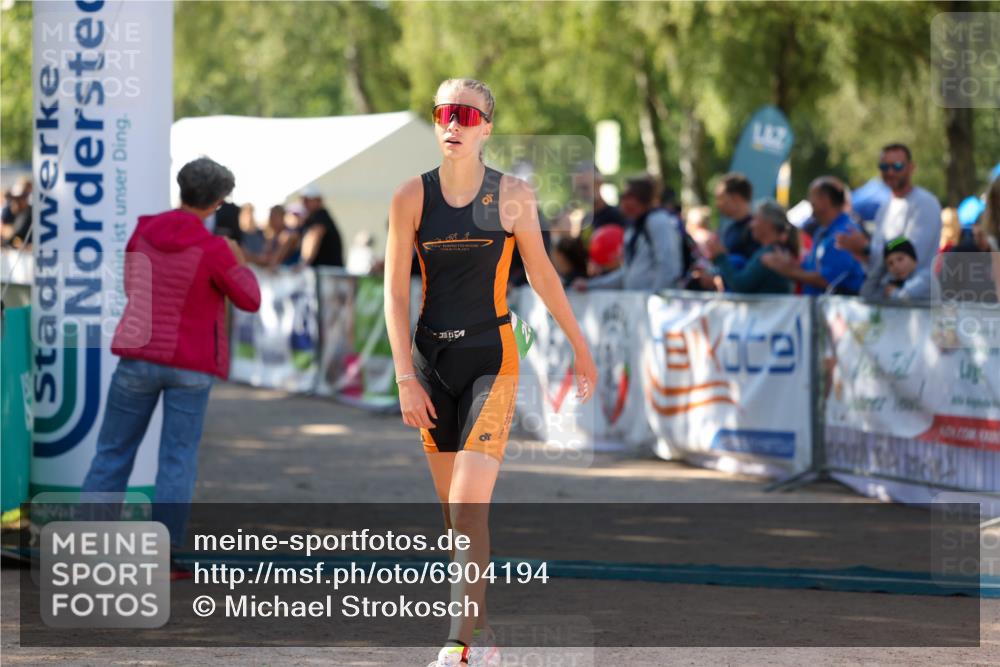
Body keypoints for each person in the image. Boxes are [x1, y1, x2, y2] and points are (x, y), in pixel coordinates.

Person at [383, 78, 597, 667]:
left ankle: (456, 644)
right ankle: (481, 634)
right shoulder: (409, 197)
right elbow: (395, 297)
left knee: (468, 503)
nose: (453, 123)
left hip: (492, 361)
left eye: (466, 115)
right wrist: (404, 376)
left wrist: (579, 344)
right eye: (444, 113)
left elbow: (545, 276)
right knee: (454, 517)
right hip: (430, 366)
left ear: (486, 128)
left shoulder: (514, 196)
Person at [81, 158, 261, 577]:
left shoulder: (144, 230)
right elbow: (249, 300)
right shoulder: (215, 249)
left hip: (138, 355)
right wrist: (240, 260)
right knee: (176, 460)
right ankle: (161, 557)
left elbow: (131, 281)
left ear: (181, 189)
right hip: (192, 364)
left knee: (112, 452)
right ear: (218, 202)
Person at [836, 143, 941, 299]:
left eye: (897, 166)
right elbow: (880, 262)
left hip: (916, 304)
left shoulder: (925, 203)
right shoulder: (885, 207)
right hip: (888, 303)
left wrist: (866, 248)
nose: (890, 172)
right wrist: (860, 251)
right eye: (884, 167)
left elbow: (909, 256)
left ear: (911, 167)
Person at [573, 176, 683, 292]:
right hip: (637, 302)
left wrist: (654, 298)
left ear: (637, 199)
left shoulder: (658, 221)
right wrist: (590, 285)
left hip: (653, 305)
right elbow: (628, 273)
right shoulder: (634, 228)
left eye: (625, 196)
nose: (621, 201)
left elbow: (669, 267)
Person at [761, 177, 866, 295]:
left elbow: (827, 280)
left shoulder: (844, 232)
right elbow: (810, 268)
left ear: (824, 200)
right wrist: (790, 263)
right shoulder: (822, 231)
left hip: (837, 311)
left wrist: (788, 270)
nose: (809, 201)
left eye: (812, 196)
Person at [702, 200, 796, 294]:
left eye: (755, 219)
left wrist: (720, 257)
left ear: (768, 224)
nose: (751, 225)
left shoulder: (769, 255)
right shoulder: (776, 250)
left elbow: (741, 285)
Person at [714, 172, 759, 261]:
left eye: (720, 198)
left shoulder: (757, 230)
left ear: (736, 197)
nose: (717, 205)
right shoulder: (730, 230)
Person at [299, 185, 344, 267]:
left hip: (328, 274)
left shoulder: (320, 217)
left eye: (307, 200)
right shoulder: (311, 218)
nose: (304, 203)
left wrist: (303, 263)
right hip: (324, 272)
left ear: (318, 200)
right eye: (303, 199)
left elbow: (314, 237)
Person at [882, 236, 934, 301]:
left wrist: (893, 293)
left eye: (900, 259)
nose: (896, 266)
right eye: (890, 263)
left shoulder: (926, 277)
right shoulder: (890, 283)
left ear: (913, 259)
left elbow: (907, 296)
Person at [249, 204, 301, 269]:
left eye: (274, 217)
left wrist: (253, 258)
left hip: (289, 272)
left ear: (282, 217)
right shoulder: (272, 236)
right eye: (270, 217)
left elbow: (275, 259)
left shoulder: (289, 235)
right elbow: (265, 255)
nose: (271, 221)